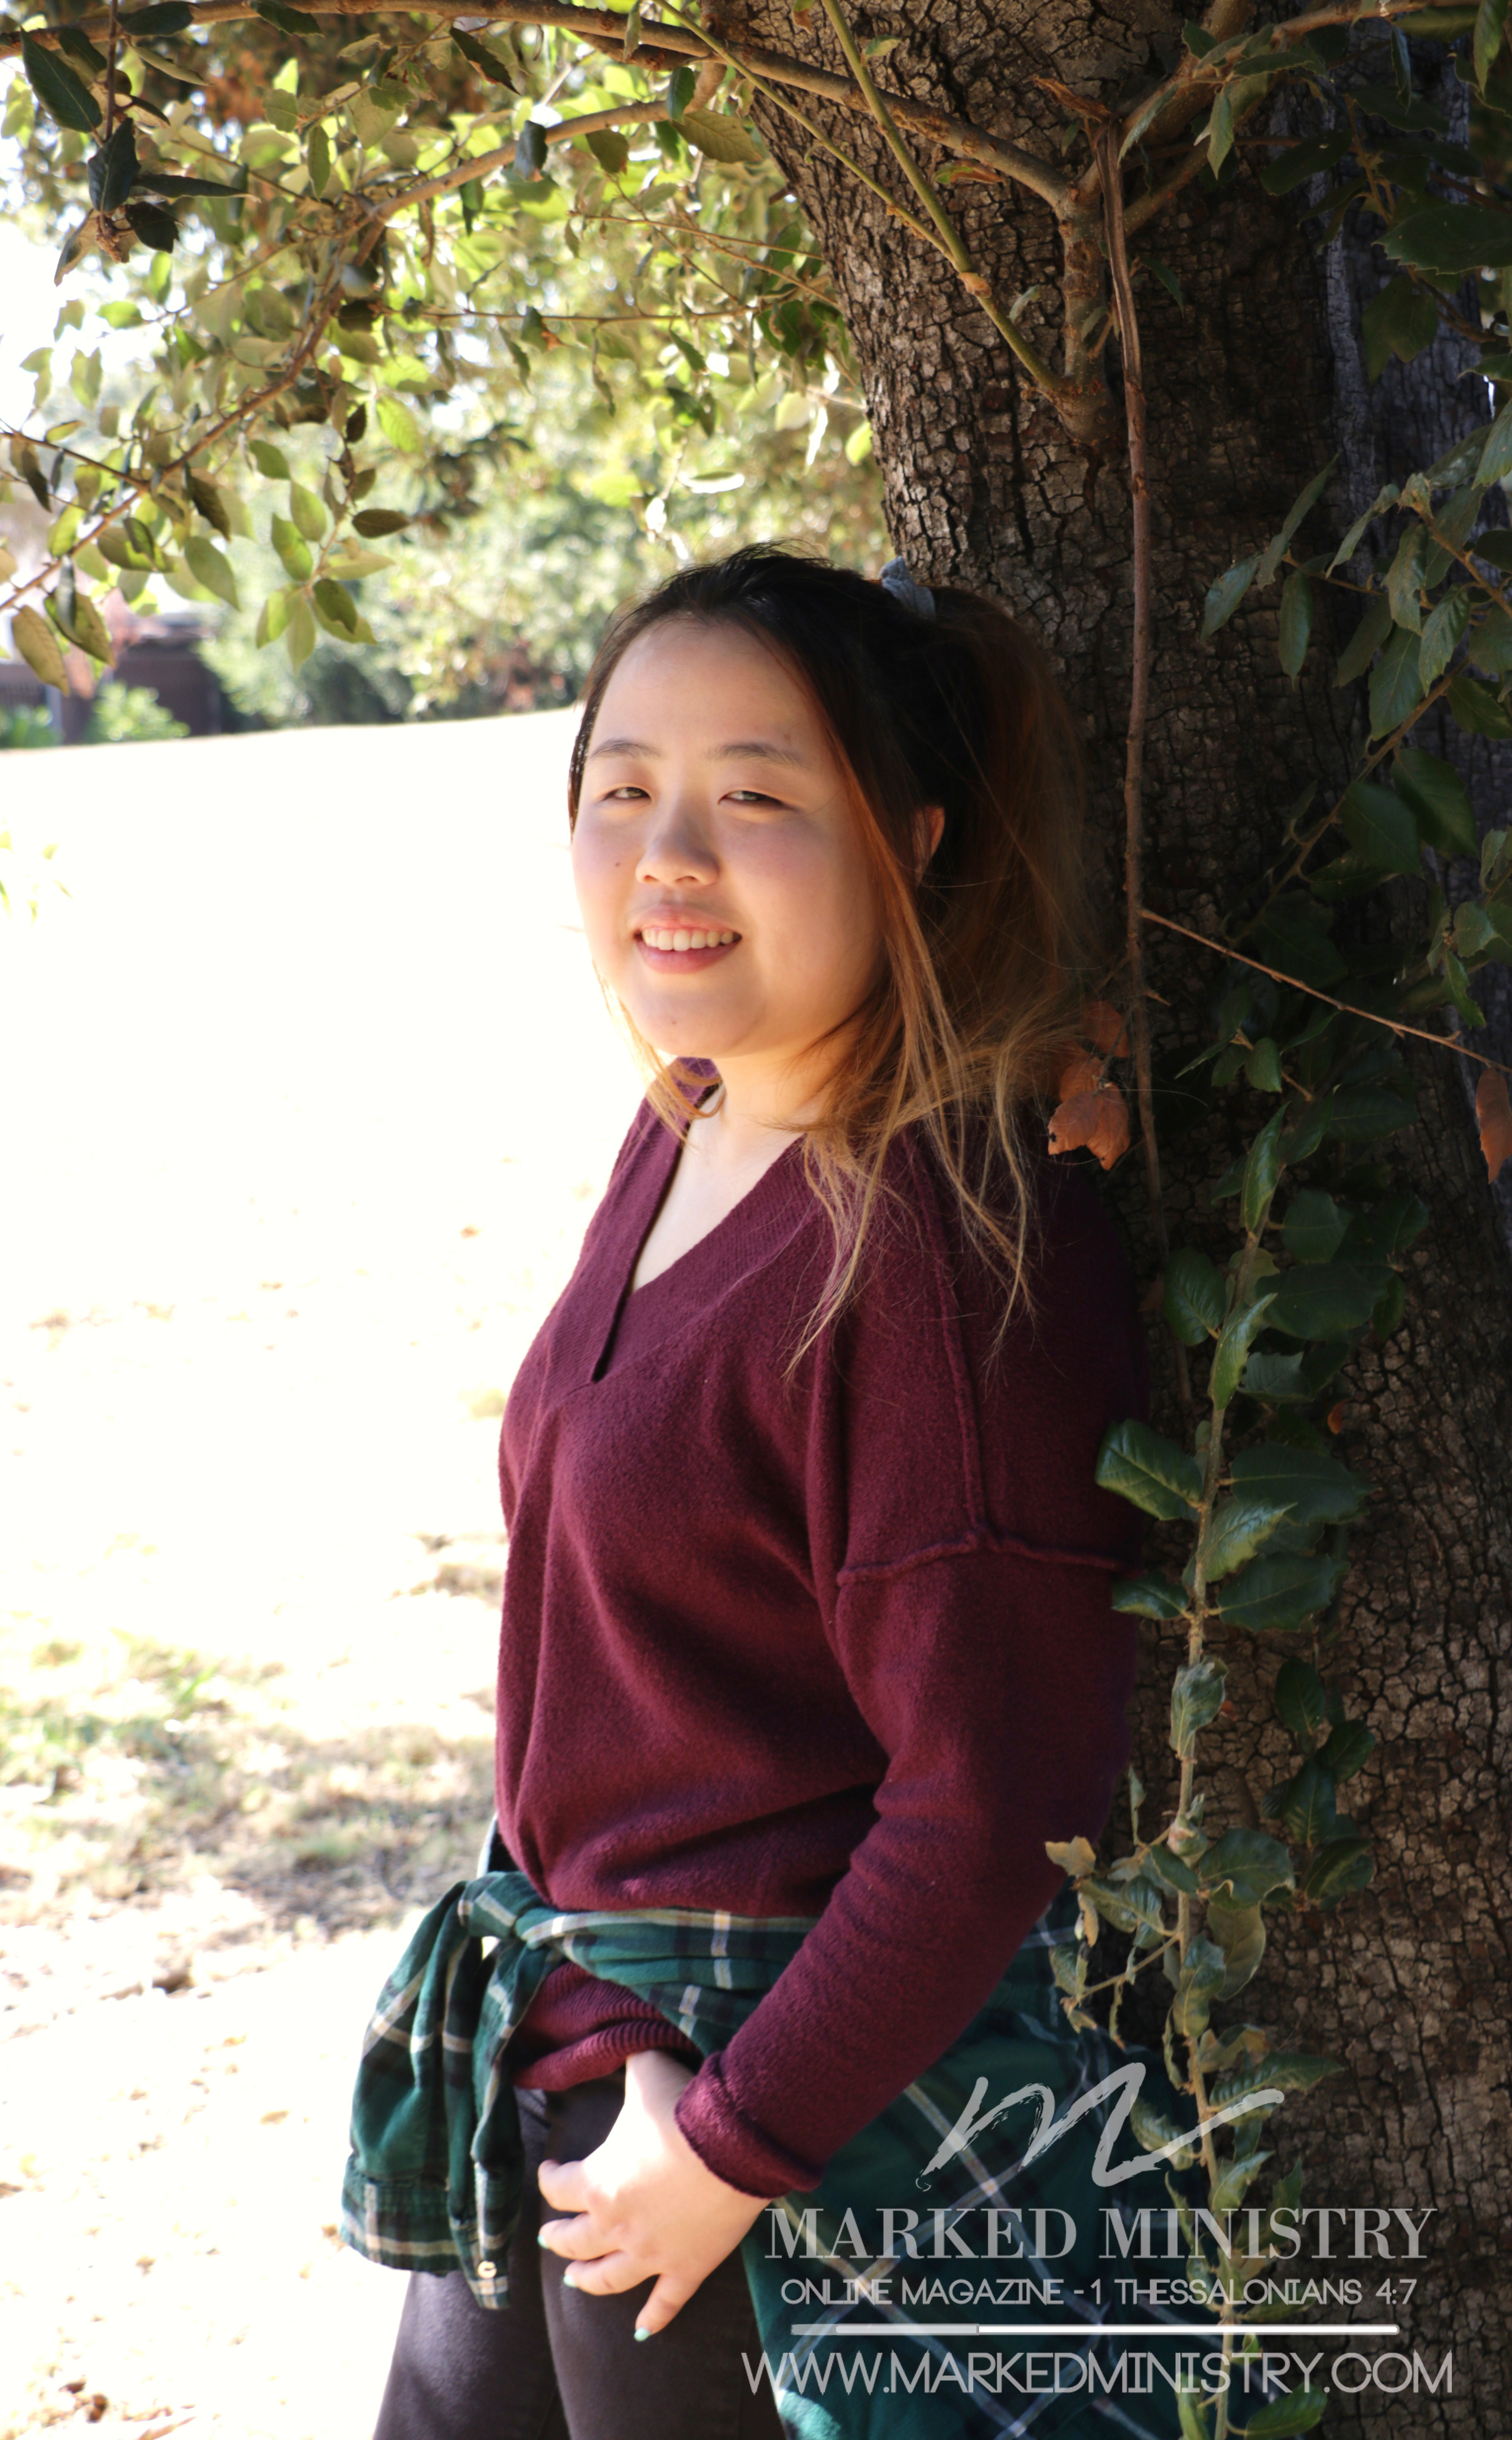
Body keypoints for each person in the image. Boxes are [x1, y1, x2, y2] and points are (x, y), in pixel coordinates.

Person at [344, 546, 1160, 2439]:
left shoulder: (943, 1255)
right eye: (622, 787)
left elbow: (996, 1803)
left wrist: (728, 2146)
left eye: (756, 798)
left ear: (912, 843)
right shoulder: (695, 1117)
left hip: (794, 2148)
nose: (668, 856)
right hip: (582, 2038)